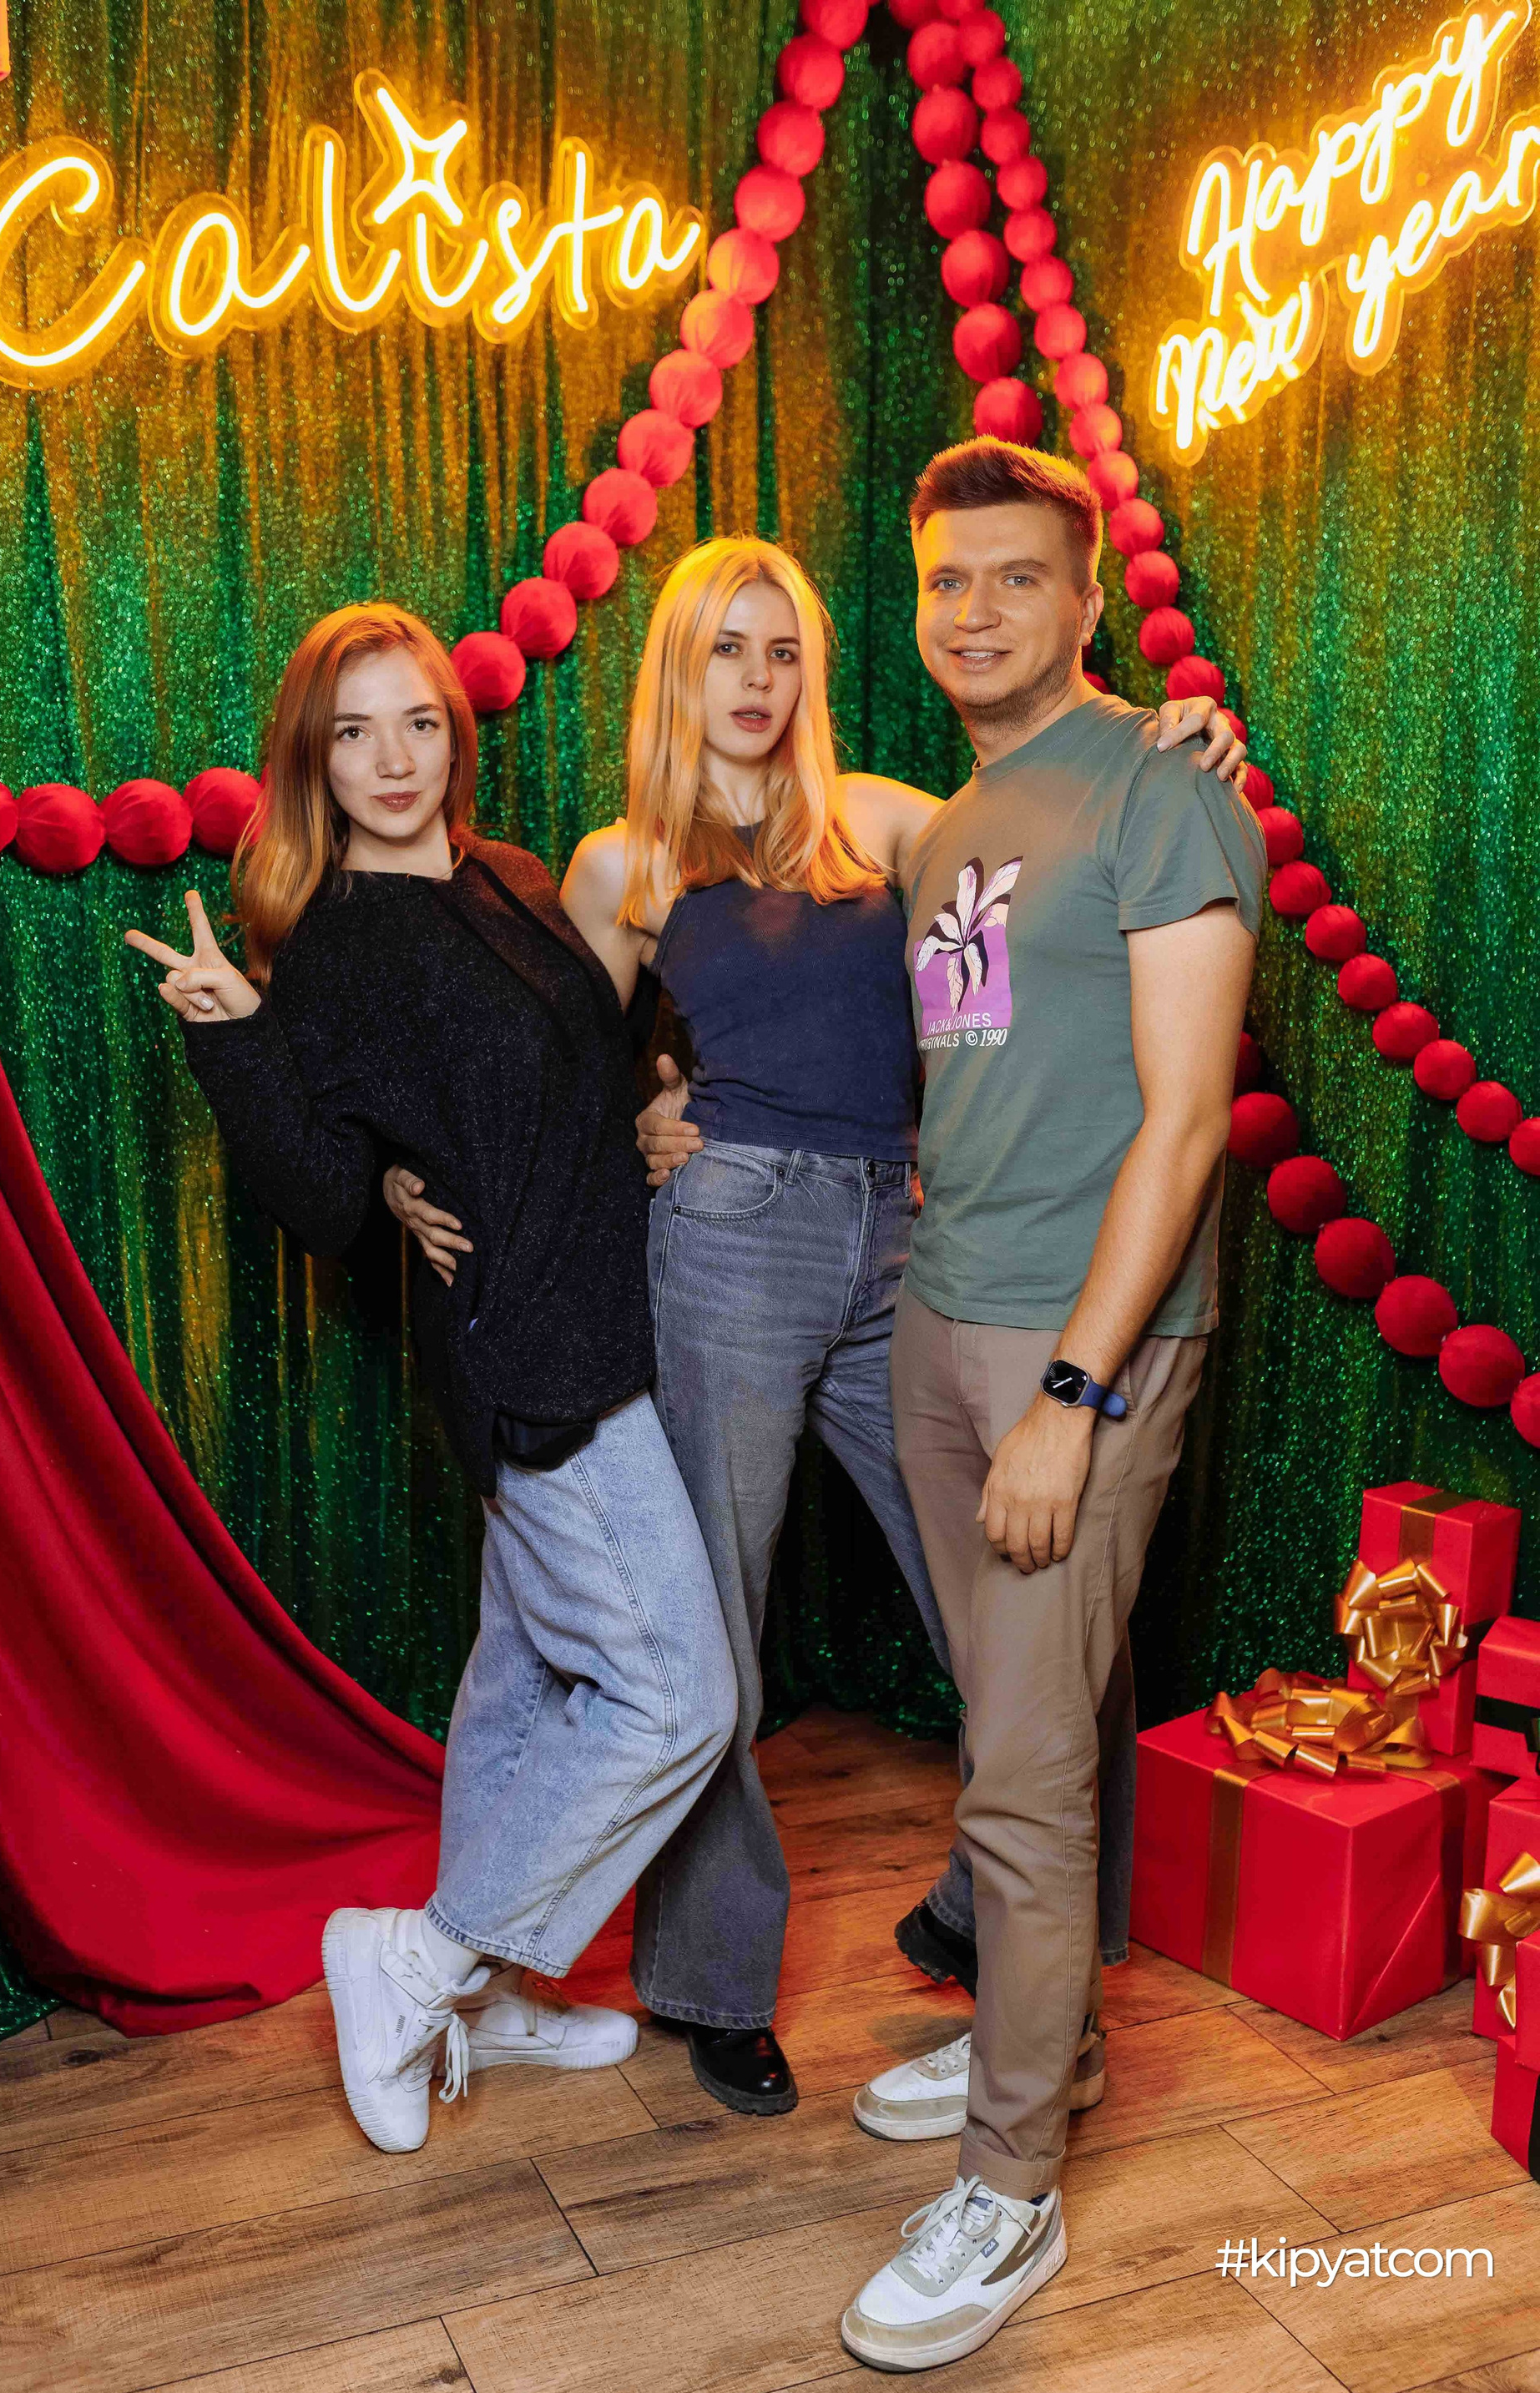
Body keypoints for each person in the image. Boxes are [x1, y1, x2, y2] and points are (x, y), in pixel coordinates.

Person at [386, 538, 1242, 2115]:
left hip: (912, 1235)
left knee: (1024, 1596)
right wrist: (550, 1136)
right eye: (729, 649)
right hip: (732, 1240)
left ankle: (995, 1917)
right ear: (680, 666)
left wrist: (1170, 739)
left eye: (784, 650)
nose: (759, 680)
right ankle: (711, 1981)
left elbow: (1054, 829)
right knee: (717, 1615)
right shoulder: (625, 864)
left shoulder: (887, 823)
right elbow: (550, 1086)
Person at [124, 602, 737, 2158]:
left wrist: (650, 1103)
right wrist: (240, 1039)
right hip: (529, 1353)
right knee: (679, 1696)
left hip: (597, 1313)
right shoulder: (337, 944)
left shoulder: (505, 876)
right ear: (314, 760)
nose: (394, 760)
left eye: (418, 723)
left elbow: (569, 1069)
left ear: (454, 737)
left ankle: (491, 1994)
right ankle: (421, 1959)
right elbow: (332, 1206)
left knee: (525, 1683)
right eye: (356, 733)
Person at [837, 439, 1264, 2372]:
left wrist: (1076, 1393)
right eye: (950, 579)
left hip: (1068, 1346)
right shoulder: (951, 829)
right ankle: (1053, 2033)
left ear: (1090, 600)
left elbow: (1186, 1125)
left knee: (1020, 1764)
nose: (979, 610)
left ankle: (1011, 2187)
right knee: (1014, 1723)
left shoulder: (1165, 788)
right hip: (939, 1316)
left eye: (1020, 576)